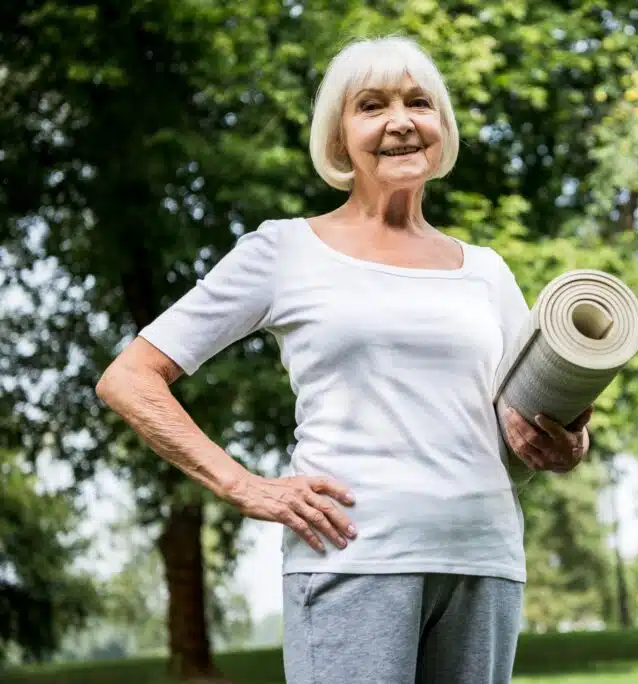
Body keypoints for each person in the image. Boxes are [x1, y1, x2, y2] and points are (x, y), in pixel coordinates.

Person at [95, 35, 592, 684]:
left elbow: (523, 418)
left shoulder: (488, 272)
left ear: (441, 126)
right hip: (352, 555)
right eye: (372, 105)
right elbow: (129, 378)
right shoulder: (285, 252)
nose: (400, 121)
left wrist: (571, 441)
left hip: (484, 557)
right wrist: (244, 485)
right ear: (338, 136)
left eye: (419, 102)